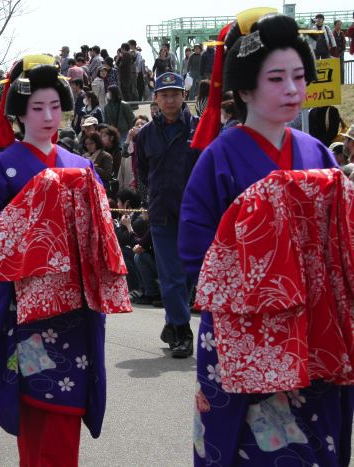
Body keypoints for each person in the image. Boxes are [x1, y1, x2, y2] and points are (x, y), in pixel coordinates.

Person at [179, 13, 354, 466]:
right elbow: (196, 250)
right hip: (249, 327)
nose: (293, 89)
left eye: (299, 76)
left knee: (317, 436)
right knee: (252, 446)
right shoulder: (218, 157)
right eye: (277, 78)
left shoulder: (316, 151)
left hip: (314, 325)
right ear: (244, 88)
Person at [0, 55, 127, 466]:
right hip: (28, 307)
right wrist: (35, 212)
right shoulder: (2, 166)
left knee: (68, 399)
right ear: (19, 114)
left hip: (75, 306)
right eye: (37, 108)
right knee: (37, 400)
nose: (48, 115)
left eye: (55, 106)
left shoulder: (81, 165)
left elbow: (99, 226)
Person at [135, 71, 199, 359]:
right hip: (162, 213)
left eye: (175, 93)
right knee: (172, 275)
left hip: (196, 213)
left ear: (184, 97)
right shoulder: (146, 134)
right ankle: (183, 332)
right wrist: (152, 198)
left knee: (188, 274)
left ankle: (172, 322)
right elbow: (141, 172)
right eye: (164, 95)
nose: (170, 99)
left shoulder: (198, 129)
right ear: (156, 99)